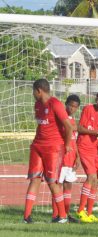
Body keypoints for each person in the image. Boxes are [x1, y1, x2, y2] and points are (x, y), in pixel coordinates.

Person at [23, 79, 73, 224]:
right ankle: (26, 217)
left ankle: (62, 216)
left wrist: (68, 145)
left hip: (53, 148)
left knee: (52, 183)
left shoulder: (55, 104)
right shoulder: (37, 104)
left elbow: (69, 127)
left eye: (33, 91)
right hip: (38, 146)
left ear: (39, 90)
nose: (33, 94)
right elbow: (41, 126)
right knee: (35, 179)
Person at [76, 90, 98, 223]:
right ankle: (80, 211)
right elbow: (79, 128)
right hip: (83, 147)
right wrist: (95, 132)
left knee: (96, 179)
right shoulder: (88, 109)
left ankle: (89, 213)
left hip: (94, 148)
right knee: (91, 177)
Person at [51, 94, 81, 223]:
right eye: (70, 105)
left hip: (71, 158)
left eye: (75, 107)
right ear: (66, 104)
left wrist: (78, 157)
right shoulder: (60, 119)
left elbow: (75, 141)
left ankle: (66, 213)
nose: (72, 109)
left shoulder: (74, 121)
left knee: (68, 186)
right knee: (57, 186)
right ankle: (56, 214)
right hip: (61, 158)